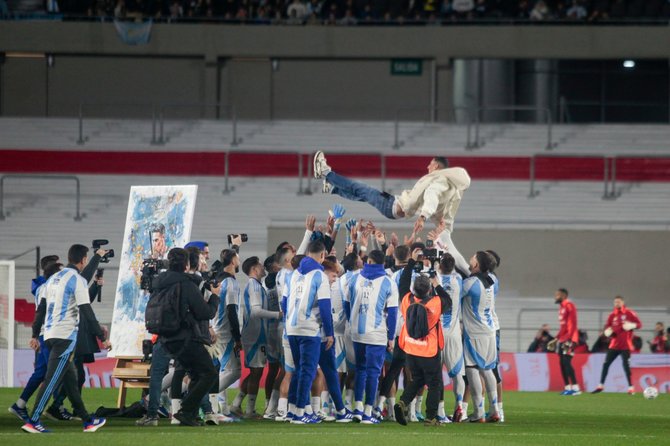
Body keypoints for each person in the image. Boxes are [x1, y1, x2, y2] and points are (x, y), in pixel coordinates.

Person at [313, 151, 471, 263]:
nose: (427, 167)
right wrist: (443, 229)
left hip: (393, 205)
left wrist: (423, 217)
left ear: (436, 165)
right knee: (363, 194)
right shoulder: (451, 189)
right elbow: (444, 212)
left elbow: (432, 195)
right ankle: (333, 188)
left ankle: (326, 172)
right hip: (394, 207)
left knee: (359, 188)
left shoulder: (439, 181)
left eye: (430, 164)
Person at [22, 244, 110, 434]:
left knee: (71, 379)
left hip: (49, 335)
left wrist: (35, 334)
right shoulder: (76, 280)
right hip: (65, 336)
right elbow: (86, 310)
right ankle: (33, 420)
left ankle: (87, 421)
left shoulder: (52, 279)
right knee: (52, 379)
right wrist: (102, 336)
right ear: (84, 260)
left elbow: (41, 311)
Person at [284, 240, 350, 424]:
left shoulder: (294, 273)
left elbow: (285, 301)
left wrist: (287, 322)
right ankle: (299, 414)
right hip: (309, 329)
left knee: (299, 370)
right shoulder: (319, 275)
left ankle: (292, 410)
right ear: (322, 255)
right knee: (308, 371)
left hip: (291, 327)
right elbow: (324, 305)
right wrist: (329, 333)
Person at [155, 247, 220, 427]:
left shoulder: (160, 282)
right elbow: (205, 312)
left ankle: (188, 414)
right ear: (187, 264)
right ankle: (185, 411)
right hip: (186, 338)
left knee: (196, 374)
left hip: (166, 338)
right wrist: (215, 297)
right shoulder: (187, 284)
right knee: (209, 373)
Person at [393, 250, 451, 427]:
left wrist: (411, 261)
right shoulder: (435, 303)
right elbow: (448, 301)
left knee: (417, 379)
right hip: (429, 350)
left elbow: (403, 282)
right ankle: (431, 417)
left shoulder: (406, 300)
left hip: (410, 348)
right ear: (429, 289)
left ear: (413, 289)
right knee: (434, 383)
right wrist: (437, 283)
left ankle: (403, 402)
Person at [344, 250, 398, 424]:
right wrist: (391, 336)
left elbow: (346, 304)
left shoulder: (354, 279)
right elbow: (392, 312)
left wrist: (352, 320)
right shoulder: (388, 282)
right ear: (383, 263)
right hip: (376, 333)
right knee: (373, 373)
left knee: (360, 369)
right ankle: (368, 412)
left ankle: (357, 409)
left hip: (357, 332)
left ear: (368, 260)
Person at [231, 256, 282, 418]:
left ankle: (237, 404)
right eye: (260, 265)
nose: (262, 267)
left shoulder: (257, 286)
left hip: (256, 335)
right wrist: (277, 314)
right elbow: (255, 311)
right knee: (256, 372)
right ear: (254, 269)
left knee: (255, 371)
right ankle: (249, 410)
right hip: (255, 335)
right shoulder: (253, 286)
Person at [461, 251, 500, 423]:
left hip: (474, 332)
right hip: (491, 330)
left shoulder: (470, 283)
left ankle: (478, 413)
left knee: (472, 369)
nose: (470, 258)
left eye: (473, 257)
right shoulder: (493, 280)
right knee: (488, 369)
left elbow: (453, 297)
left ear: (476, 264)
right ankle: (495, 410)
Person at [592, 296, 642, 395]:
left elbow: (639, 324)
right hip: (614, 345)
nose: (617, 303)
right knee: (606, 364)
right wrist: (607, 332)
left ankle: (631, 388)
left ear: (623, 302)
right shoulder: (612, 315)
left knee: (625, 366)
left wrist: (632, 325)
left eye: (619, 302)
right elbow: (607, 328)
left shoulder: (629, 313)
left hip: (625, 346)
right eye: (615, 302)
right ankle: (600, 386)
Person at [437, 252, 465, 423]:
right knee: (457, 374)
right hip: (454, 334)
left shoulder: (435, 281)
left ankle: (440, 410)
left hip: (437, 333)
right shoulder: (459, 282)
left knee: (436, 374)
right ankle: (459, 405)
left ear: (439, 266)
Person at [215, 249, 243, 418]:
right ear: (233, 260)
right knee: (234, 371)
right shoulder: (231, 283)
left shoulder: (218, 280)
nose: (239, 260)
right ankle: (198, 396)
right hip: (226, 334)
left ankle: (222, 409)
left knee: (222, 371)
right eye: (237, 257)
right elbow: (231, 310)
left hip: (216, 330)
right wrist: (237, 337)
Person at [554, 288, 582, 396]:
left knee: (566, 362)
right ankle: (567, 387)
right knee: (562, 363)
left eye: (558, 295)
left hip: (570, 338)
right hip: (563, 338)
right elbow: (563, 327)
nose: (556, 297)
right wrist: (556, 338)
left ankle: (576, 388)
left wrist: (569, 339)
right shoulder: (561, 308)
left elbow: (572, 325)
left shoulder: (569, 305)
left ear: (564, 295)